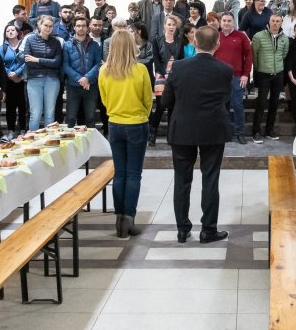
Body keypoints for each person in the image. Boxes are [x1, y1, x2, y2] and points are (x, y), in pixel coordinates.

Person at [161, 25, 234, 244]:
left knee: (182, 180)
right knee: (210, 179)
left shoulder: (179, 67)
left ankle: (183, 229)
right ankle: (208, 229)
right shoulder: (225, 69)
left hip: (183, 128)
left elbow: (165, 101)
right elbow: (226, 99)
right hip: (213, 128)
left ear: (194, 42)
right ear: (218, 45)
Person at [98, 30, 153, 238]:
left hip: (115, 124)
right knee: (133, 174)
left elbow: (103, 100)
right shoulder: (140, 69)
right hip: (137, 124)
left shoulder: (104, 70)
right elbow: (148, 99)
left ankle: (119, 219)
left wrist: (116, 111)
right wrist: (140, 115)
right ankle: (129, 218)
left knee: (119, 173)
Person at [251, 13, 290, 143]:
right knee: (261, 103)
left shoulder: (285, 38)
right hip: (263, 74)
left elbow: (283, 55)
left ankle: (269, 130)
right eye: (273, 20)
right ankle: (256, 132)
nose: (275, 23)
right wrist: (259, 68)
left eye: (278, 21)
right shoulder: (258, 36)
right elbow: (254, 56)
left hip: (278, 74)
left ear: (281, 23)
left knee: (274, 103)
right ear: (269, 21)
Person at [214, 12, 252, 143]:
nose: (226, 23)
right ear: (220, 22)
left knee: (238, 106)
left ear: (233, 22)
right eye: (224, 20)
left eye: (229, 21)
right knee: (222, 107)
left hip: (237, 77)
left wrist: (246, 74)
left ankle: (240, 133)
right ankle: (224, 133)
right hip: (219, 78)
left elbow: (248, 56)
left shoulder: (241, 36)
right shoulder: (215, 36)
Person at [21, 14, 63, 130]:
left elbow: (57, 62)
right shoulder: (30, 40)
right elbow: (28, 61)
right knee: (35, 114)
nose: (48, 28)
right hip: (34, 80)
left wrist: (37, 60)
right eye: (46, 25)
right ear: (39, 25)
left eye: (51, 26)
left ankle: (48, 142)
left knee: (50, 114)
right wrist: (46, 62)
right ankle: (33, 143)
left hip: (52, 80)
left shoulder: (56, 42)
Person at [149, 14, 184, 146]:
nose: (171, 27)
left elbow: (181, 59)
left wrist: (174, 75)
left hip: (175, 76)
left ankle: (171, 136)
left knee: (173, 108)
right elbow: (156, 61)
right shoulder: (157, 40)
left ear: (176, 27)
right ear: (164, 25)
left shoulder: (179, 40)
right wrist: (165, 74)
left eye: (173, 25)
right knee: (160, 106)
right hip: (161, 76)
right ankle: (152, 135)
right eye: (169, 24)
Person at [62, 16, 101, 129]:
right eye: (78, 25)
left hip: (91, 86)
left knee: (90, 118)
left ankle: (90, 145)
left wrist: (87, 78)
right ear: (74, 27)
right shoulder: (67, 45)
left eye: (84, 25)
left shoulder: (94, 45)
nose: (81, 28)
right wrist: (80, 79)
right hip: (73, 86)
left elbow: (98, 64)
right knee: (70, 117)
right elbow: (65, 65)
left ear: (87, 27)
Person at [0, 24, 27, 136]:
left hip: (22, 79)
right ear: (5, 34)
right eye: (7, 31)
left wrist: (17, 73)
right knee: (10, 106)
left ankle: (23, 129)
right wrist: (10, 74)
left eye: (12, 30)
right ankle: (10, 130)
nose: (10, 32)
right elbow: (0, 63)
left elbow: (26, 61)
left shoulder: (24, 45)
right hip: (9, 81)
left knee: (23, 106)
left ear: (17, 32)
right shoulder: (3, 47)